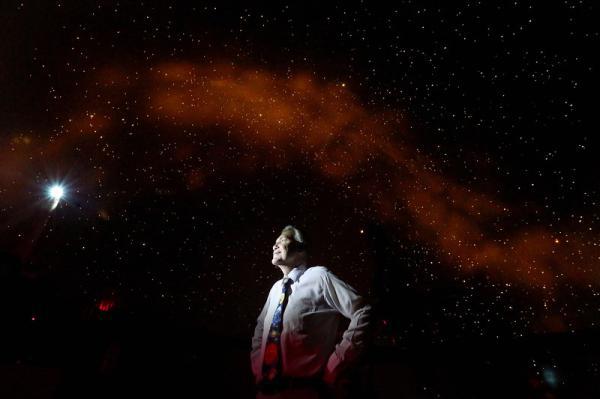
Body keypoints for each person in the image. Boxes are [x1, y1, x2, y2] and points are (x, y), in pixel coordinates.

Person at [250, 225, 372, 398]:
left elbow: (363, 311)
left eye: (282, 240)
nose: (274, 246)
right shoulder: (276, 289)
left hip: (303, 392)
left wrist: (335, 366)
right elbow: (260, 330)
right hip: (265, 392)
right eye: (274, 242)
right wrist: (257, 367)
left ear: (300, 248)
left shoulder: (319, 277)